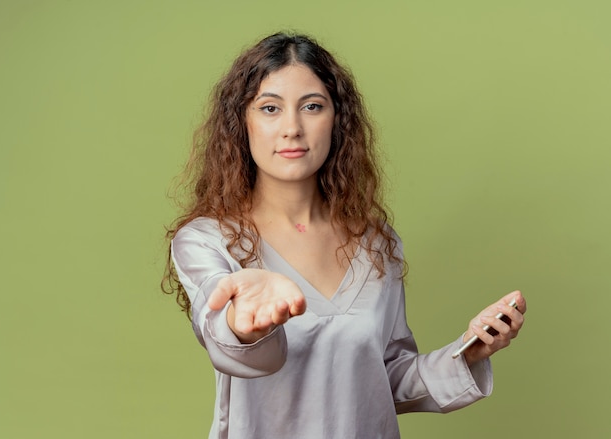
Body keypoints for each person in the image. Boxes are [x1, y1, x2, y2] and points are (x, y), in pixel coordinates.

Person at [162, 32, 526, 439]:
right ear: (241, 123)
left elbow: (383, 379)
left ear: (337, 119)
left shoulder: (376, 242)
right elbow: (222, 334)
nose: (292, 129)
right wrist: (245, 324)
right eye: (269, 108)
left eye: (312, 107)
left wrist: (468, 352)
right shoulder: (207, 240)